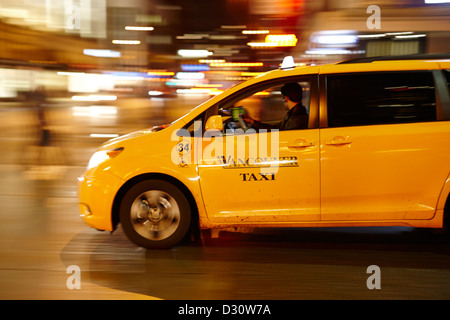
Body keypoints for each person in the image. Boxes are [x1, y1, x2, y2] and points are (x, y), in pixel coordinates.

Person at [244, 82, 309, 130]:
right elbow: (276, 128)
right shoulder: (295, 113)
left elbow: (278, 131)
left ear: (286, 98)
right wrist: (252, 122)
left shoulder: (297, 118)